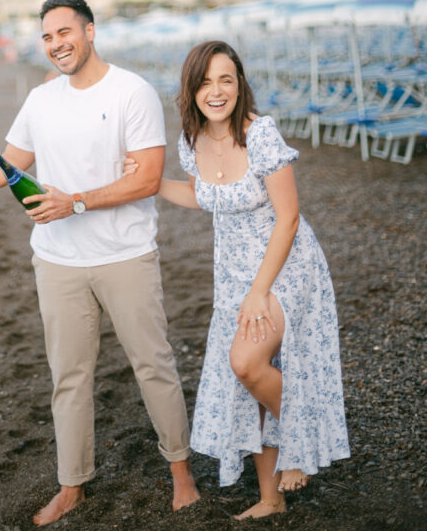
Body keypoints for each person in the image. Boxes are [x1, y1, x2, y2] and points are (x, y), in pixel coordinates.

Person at [0, 0, 199, 526]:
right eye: (48, 36)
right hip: (57, 261)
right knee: (69, 377)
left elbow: (148, 178)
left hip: (126, 255)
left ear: (90, 31)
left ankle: (181, 474)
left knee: (153, 367)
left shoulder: (132, 92)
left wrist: (74, 201)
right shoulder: (40, 100)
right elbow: (6, 166)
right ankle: (71, 486)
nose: (57, 44)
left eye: (66, 32)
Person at [147, 40, 350, 520]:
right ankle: (270, 499)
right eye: (205, 82)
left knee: (245, 362)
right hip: (233, 274)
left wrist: (260, 292)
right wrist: (150, 183)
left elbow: (289, 218)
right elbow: (206, 197)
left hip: (286, 268)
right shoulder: (190, 142)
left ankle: (299, 447)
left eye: (226, 80)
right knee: (249, 383)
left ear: (239, 85)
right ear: (191, 90)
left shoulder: (261, 135)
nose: (216, 91)